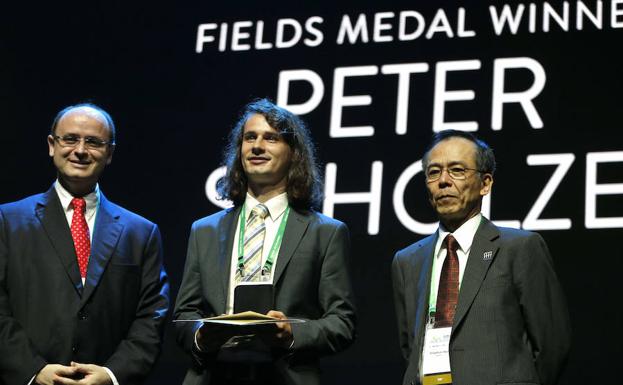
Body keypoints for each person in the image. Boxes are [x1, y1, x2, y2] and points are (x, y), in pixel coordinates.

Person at [174, 98, 356, 385]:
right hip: (214, 373)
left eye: (271, 138)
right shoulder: (204, 230)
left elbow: (342, 323)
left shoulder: (326, 232)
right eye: (250, 138)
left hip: (285, 374)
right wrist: (202, 334)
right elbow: (184, 313)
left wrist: (291, 333)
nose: (257, 146)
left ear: (293, 153)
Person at [0, 103, 170, 385]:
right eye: (70, 139)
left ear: (110, 153)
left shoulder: (141, 232)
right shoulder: (7, 221)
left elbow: (152, 316)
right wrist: (33, 370)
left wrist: (112, 373)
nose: (80, 150)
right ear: (52, 145)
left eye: (93, 142)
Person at [391, 130, 571, 385]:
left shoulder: (520, 248)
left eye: (457, 170)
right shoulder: (407, 261)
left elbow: (552, 344)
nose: (443, 181)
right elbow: (410, 347)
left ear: (485, 183)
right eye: (433, 172)